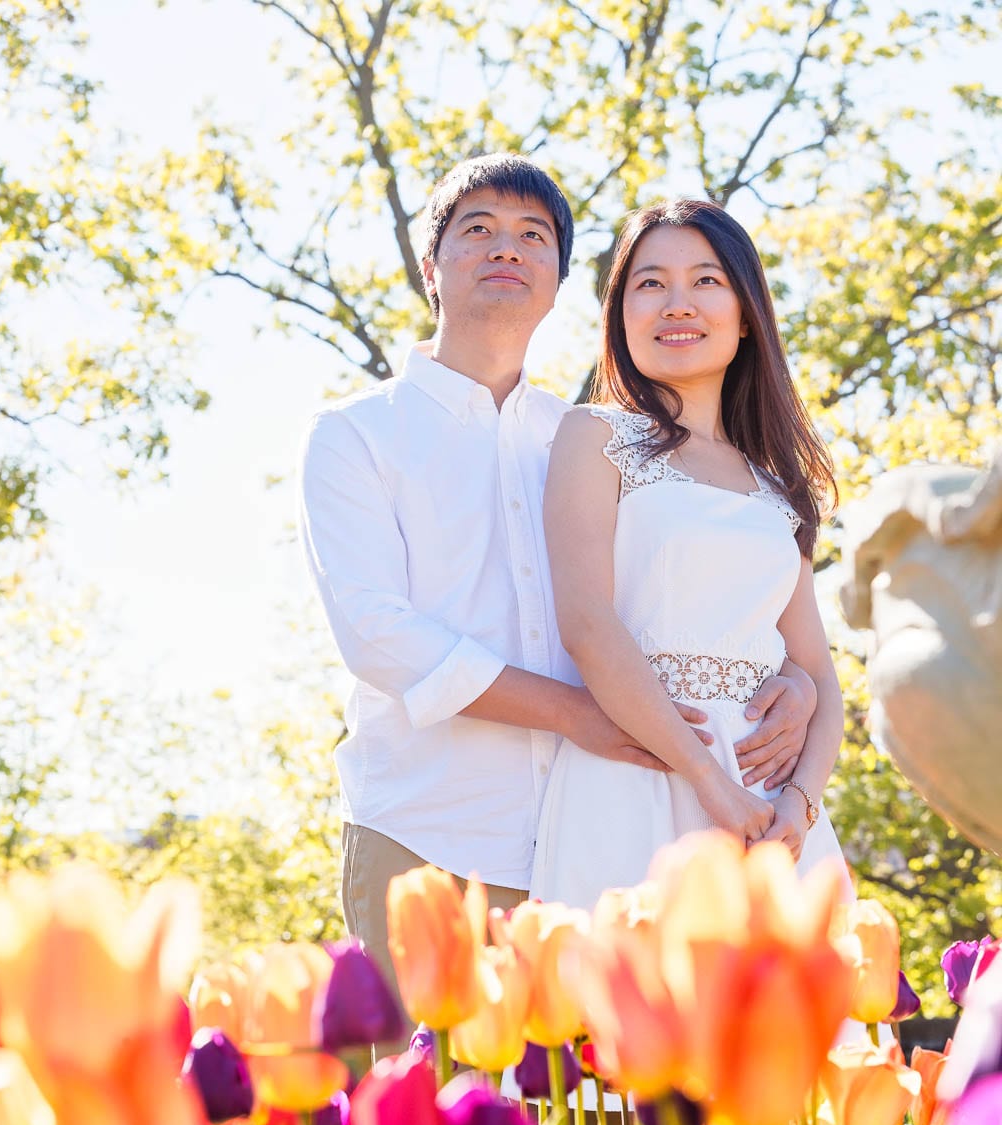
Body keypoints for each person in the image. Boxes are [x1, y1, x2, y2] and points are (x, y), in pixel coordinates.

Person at [298, 159, 816, 1016]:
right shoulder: (358, 434)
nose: (508, 248)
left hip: (602, 830)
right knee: (433, 1120)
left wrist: (791, 677)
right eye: (479, 230)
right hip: (432, 832)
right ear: (432, 266)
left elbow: (684, 592)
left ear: (560, 283)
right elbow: (377, 633)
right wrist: (578, 713)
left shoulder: (594, 441)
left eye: (534, 235)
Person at [531, 198, 850, 909]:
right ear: (621, 316)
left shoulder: (777, 486)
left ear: (745, 313)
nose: (677, 303)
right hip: (639, 778)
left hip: (776, 819)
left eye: (706, 281)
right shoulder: (595, 436)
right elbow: (585, 622)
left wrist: (797, 806)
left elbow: (820, 676)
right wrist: (711, 785)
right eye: (650, 284)